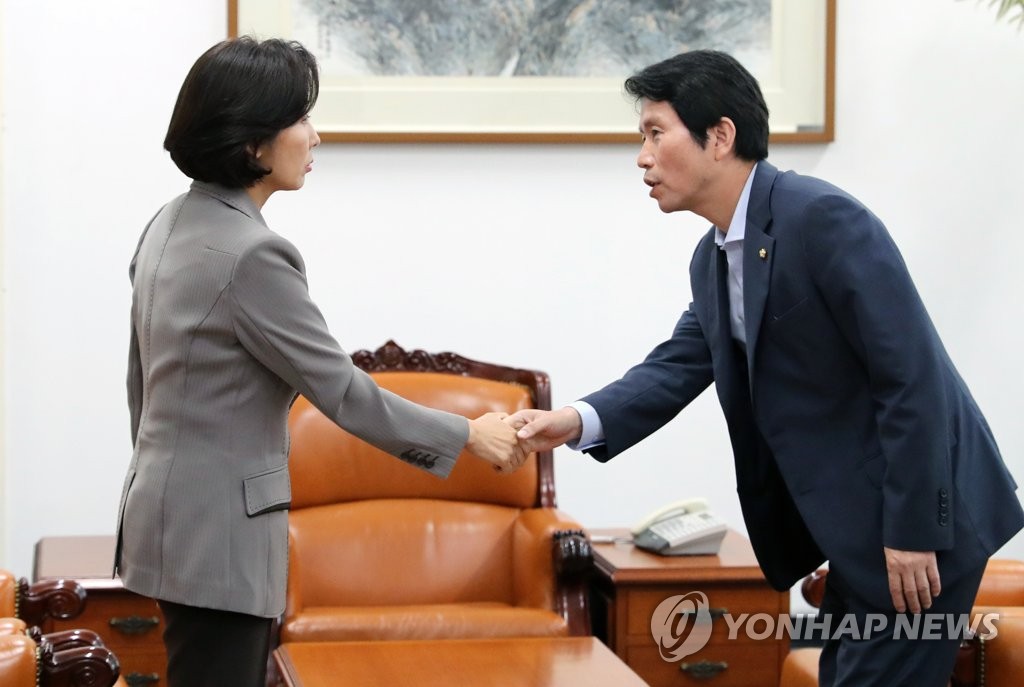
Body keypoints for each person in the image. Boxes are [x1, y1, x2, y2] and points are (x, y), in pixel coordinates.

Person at [509, 49, 1023, 686]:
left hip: (920, 523)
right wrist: (572, 420)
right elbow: (675, 366)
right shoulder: (713, 258)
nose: (642, 157)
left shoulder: (822, 219)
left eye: (655, 133)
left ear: (720, 136)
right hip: (860, 529)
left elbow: (911, 378)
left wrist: (915, 532)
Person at [114, 36, 523, 687]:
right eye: (301, 118)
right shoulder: (253, 255)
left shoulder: (167, 222)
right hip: (220, 537)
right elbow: (343, 391)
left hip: (162, 516)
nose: (315, 135)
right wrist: (471, 434)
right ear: (254, 143)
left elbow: (141, 377)